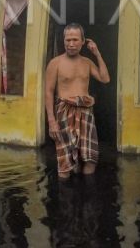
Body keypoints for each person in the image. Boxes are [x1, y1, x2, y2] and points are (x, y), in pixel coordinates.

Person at [45, 23, 110, 179]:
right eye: (68, 40)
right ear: (64, 41)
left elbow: (105, 79)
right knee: (65, 160)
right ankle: (66, 198)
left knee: (90, 158)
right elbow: (48, 92)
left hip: (85, 112)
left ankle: (87, 194)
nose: (71, 44)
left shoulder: (87, 62)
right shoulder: (55, 63)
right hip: (64, 112)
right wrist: (51, 121)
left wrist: (97, 54)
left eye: (75, 39)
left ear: (82, 41)